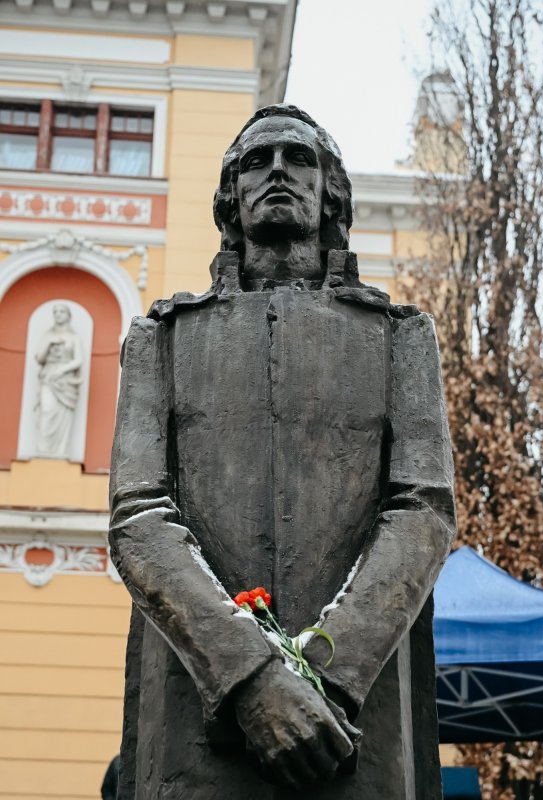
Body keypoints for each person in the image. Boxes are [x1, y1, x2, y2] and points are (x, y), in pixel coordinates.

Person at [109, 104, 456, 799]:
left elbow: (423, 512)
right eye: (254, 162)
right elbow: (139, 518)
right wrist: (253, 680)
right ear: (230, 198)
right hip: (196, 718)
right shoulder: (160, 339)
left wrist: (325, 677)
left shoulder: (401, 337)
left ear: (330, 192)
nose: (276, 172)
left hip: (354, 723)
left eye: (299, 159)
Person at [35, 302, 82, 457]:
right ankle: (43, 450)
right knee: (47, 410)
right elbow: (40, 358)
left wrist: (62, 370)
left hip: (65, 380)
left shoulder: (74, 337)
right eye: (56, 312)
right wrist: (48, 344)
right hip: (48, 377)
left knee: (63, 413)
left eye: (62, 311)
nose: (58, 314)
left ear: (68, 315)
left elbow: (78, 360)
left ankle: (60, 451)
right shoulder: (47, 336)